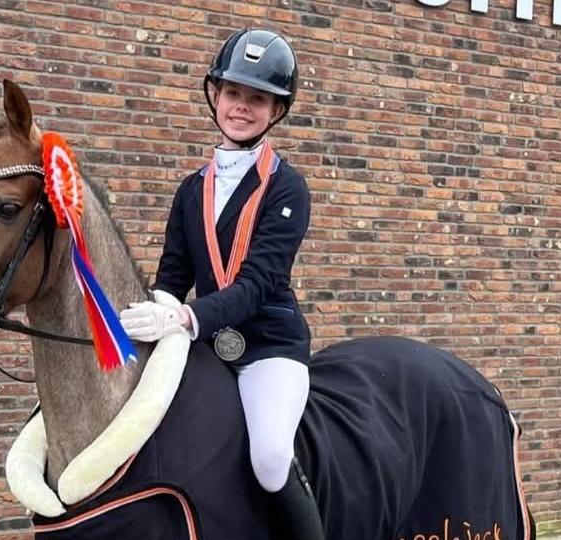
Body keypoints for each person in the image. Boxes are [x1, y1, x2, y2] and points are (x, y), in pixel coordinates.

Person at [119, 29, 323, 540]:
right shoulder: (192, 190)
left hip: (268, 346)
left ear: (276, 110)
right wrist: (149, 314)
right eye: (234, 93)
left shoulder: (287, 187)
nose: (242, 107)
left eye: (258, 98)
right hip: (207, 347)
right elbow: (172, 276)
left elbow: (258, 283)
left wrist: (186, 317)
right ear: (215, 95)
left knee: (271, 457)